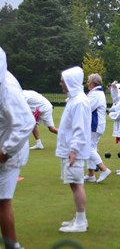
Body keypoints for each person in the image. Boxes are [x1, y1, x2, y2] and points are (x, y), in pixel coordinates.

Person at [0, 47, 36, 249]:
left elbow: (25, 123)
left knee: (2, 201)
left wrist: (5, 152)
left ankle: (13, 246)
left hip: (8, 154)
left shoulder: (8, 90)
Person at [56, 66, 91, 233]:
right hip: (68, 148)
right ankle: (79, 218)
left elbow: (80, 128)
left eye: (63, 81)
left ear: (71, 82)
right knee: (74, 183)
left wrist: (74, 149)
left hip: (73, 150)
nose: (61, 84)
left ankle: (80, 222)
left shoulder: (80, 101)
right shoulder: (74, 99)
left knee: (77, 184)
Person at [84, 73, 111, 184]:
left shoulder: (96, 94)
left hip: (94, 125)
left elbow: (87, 108)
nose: (87, 83)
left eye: (88, 81)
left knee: (88, 148)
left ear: (93, 83)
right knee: (91, 148)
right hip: (94, 125)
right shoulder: (95, 93)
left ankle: (103, 169)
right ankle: (91, 174)